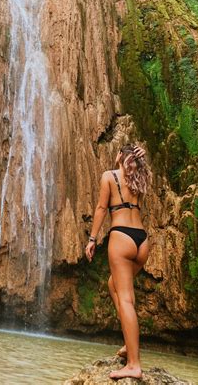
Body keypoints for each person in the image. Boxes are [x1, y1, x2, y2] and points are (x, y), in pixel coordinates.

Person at [85, 144, 151, 380]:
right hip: (142, 241)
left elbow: (102, 208)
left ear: (119, 157)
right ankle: (128, 345)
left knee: (125, 299)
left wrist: (92, 239)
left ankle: (134, 364)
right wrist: (143, 157)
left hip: (121, 237)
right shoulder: (139, 178)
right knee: (114, 285)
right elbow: (141, 168)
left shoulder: (109, 176)